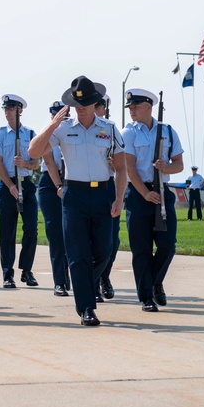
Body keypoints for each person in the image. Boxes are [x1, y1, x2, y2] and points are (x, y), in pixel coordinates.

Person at [28, 76, 125, 327]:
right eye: (76, 103)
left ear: (95, 103)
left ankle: (84, 281)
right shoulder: (62, 128)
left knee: (104, 250)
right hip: (74, 195)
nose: (81, 108)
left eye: (86, 103)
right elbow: (33, 152)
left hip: (103, 193)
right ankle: (86, 308)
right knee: (79, 254)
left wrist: (119, 198)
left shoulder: (110, 128)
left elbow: (122, 168)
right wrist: (51, 125)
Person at [122, 88, 184, 312]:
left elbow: (179, 164)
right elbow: (129, 168)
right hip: (139, 194)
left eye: (136, 107)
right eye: (130, 107)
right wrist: (145, 193)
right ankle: (146, 296)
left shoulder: (167, 131)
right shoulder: (127, 133)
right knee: (141, 249)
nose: (132, 111)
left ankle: (156, 281)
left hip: (162, 190)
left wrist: (165, 167)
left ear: (149, 107)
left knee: (168, 245)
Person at [0, 94, 39, 288]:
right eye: (6, 109)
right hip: (7, 184)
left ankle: (26, 270)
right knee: (7, 232)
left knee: (31, 229)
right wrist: (10, 185)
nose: (8, 112)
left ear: (20, 111)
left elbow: (36, 162)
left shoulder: (30, 134)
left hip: (26, 184)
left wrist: (25, 163)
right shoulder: (0, 134)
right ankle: (7, 273)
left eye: (11, 109)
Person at [38, 101, 71, 296]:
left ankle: (69, 273)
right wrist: (59, 186)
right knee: (55, 233)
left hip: (72, 180)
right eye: (55, 115)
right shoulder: (47, 133)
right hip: (51, 184)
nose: (58, 119)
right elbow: (49, 162)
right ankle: (59, 280)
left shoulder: (72, 131)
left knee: (72, 233)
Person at [94, 94, 120, 301]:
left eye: (100, 106)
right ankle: (93, 281)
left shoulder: (110, 130)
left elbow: (122, 166)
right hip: (87, 187)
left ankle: (105, 276)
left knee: (112, 240)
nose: (97, 109)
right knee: (91, 241)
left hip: (108, 186)